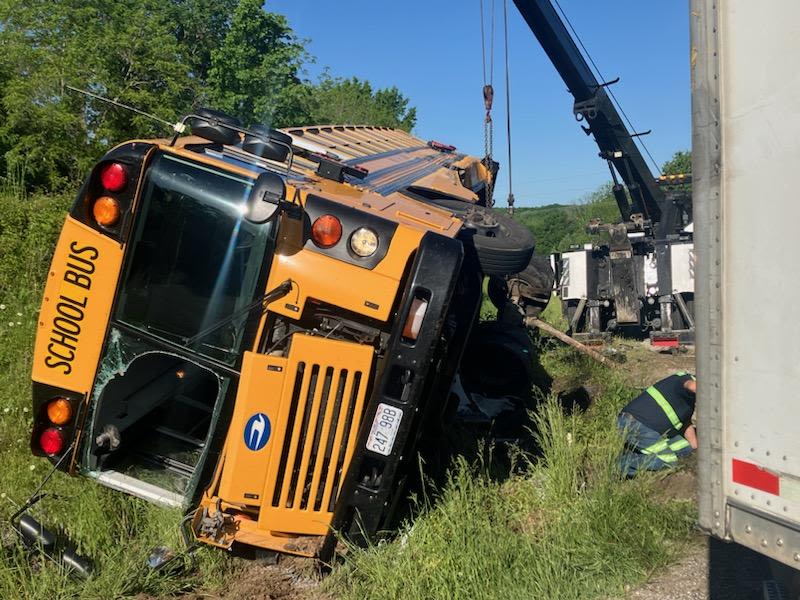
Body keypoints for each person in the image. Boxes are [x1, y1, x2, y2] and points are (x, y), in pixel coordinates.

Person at [617, 371, 697, 477]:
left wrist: (695, 448)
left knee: (686, 451)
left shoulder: (690, 401)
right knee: (669, 462)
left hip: (657, 431)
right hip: (637, 424)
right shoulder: (684, 379)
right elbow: (691, 386)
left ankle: (644, 455)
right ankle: (620, 465)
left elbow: (686, 423)